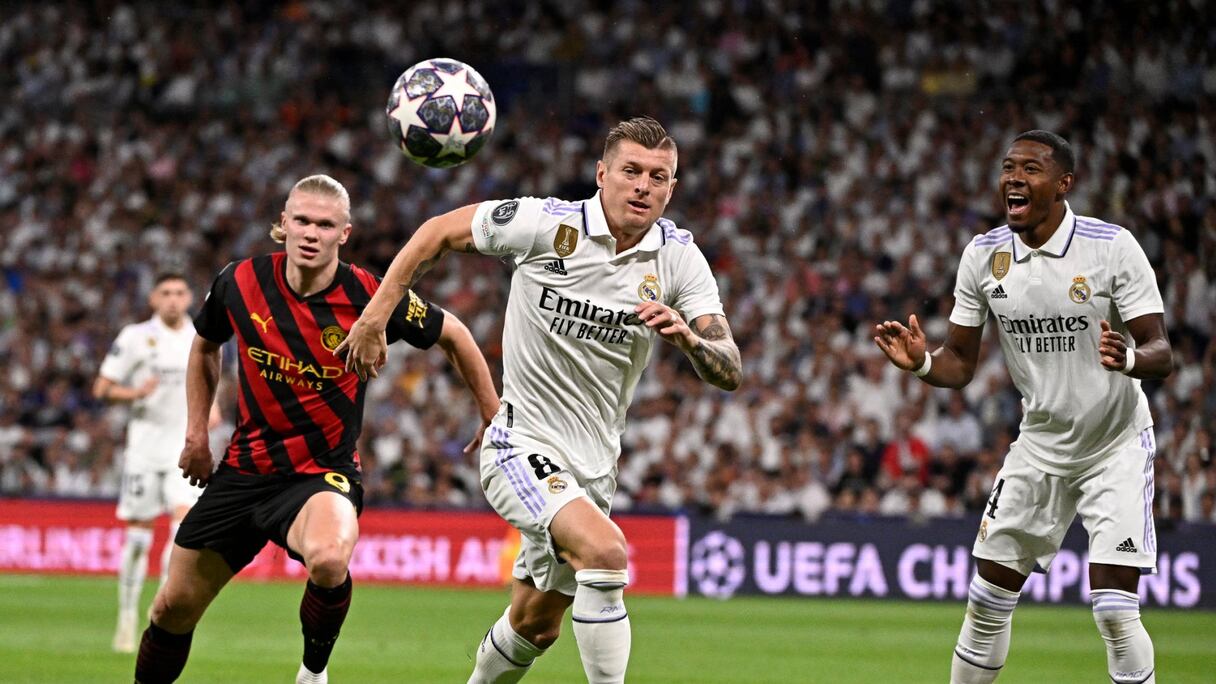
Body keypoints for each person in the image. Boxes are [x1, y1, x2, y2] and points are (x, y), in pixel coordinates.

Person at [338, 116, 742, 683]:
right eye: (631, 171)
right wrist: (376, 316)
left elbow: (729, 365)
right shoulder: (544, 224)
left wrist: (691, 340)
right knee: (606, 554)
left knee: (535, 624)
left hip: (594, 465)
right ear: (602, 174)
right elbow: (436, 233)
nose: (643, 186)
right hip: (519, 442)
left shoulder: (678, 259)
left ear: (672, 188)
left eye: (659, 176)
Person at [132, 174, 499, 684]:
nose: (311, 232)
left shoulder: (370, 297)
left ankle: (313, 673)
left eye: (324, 225)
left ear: (343, 234)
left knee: (329, 559)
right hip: (244, 470)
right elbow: (203, 347)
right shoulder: (239, 282)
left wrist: (491, 411)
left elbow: (454, 333)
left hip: (320, 474)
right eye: (301, 220)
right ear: (282, 224)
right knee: (171, 609)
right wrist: (196, 434)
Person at [874, 130, 1173, 684]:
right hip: (1039, 445)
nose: (1014, 177)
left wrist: (1130, 357)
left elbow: (1162, 353)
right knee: (986, 601)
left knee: (1113, 611)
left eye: (1031, 169)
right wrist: (920, 363)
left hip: (1115, 445)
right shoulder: (984, 256)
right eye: (1008, 167)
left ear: (1064, 184)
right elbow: (959, 364)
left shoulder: (1111, 246)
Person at [94, 273, 219, 653]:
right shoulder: (134, 337)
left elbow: (211, 380)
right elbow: (102, 389)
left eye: (180, 292)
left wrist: (211, 412)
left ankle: (158, 610)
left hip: (183, 450)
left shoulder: (200, 336)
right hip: (144, 451)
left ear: (189, 297)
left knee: (182, 529)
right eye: (165, 293)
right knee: (137, 538)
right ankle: (126, 614)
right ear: (153, 298)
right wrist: (135, 392)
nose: (172, 299)